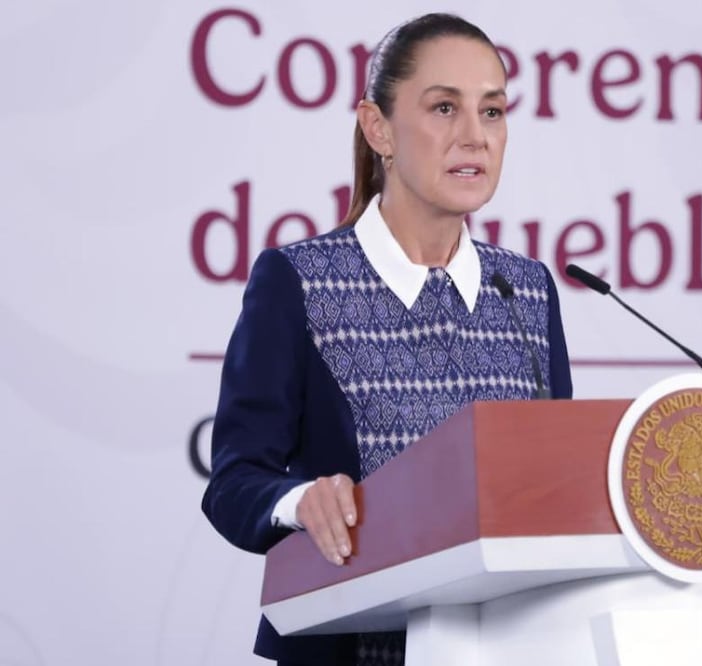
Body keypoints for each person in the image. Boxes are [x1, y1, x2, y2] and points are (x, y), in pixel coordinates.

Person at [201, 13, 573, 666]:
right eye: (443, 108)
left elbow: (553, 495)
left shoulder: (529, 292)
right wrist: (300, 502)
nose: (474, 137)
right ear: (379, 128)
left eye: (492, 112)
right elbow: (233, 483)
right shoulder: (299, 282)